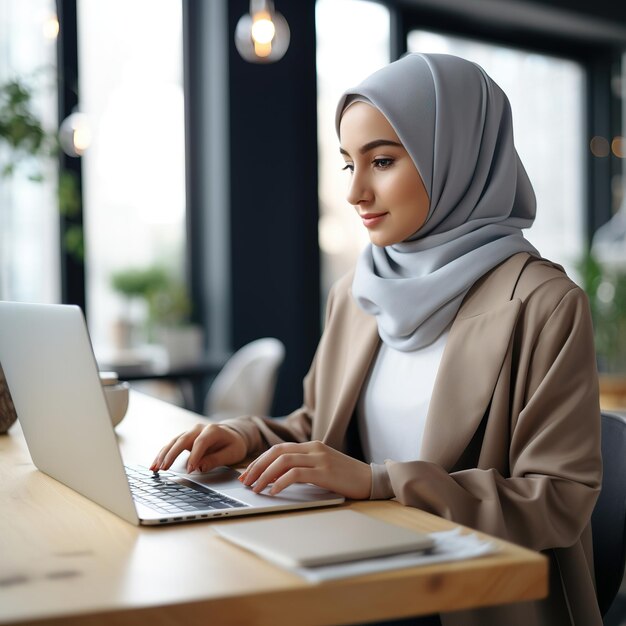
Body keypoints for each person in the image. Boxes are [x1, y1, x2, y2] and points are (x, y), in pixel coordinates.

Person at [151, 54, 602, 626]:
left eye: (382, 161)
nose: (356, 192)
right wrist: (245, 437)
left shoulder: (544, 303)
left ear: (458, 158)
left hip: (474, 602)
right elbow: (319, 432)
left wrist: (378, 482)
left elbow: (559, 500)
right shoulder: (357, 292)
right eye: (347, 165)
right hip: (356, 576)